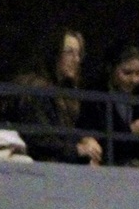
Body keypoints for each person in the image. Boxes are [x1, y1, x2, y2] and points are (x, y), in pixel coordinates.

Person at [12, 27, 103, 165]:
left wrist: (84, 139)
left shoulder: (66, 92)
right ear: (54, 53)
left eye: (79, 54)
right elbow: (39, 140)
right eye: (69, 52)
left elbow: (62, 135)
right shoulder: (35, 88)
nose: (76, 59)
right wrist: (78, 150)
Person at [82, 40, 139, 164]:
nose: (134, 80)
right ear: (110, 68)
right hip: (107, 164)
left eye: (138, 73)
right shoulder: (95, 96)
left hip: (135, 162)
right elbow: (96, 142)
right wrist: (129, 131)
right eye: (127, 73)